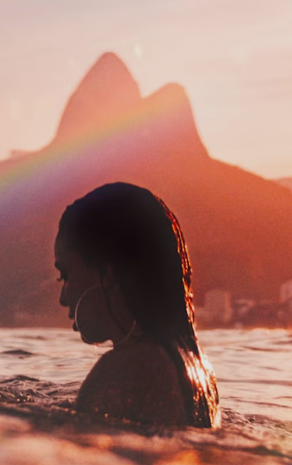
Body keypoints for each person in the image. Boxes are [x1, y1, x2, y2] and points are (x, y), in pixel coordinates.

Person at [54, 182, 221, 428]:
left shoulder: (126, 371)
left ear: (105, 272)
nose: (62, 298)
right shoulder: (197, 370)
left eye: (65, 275)